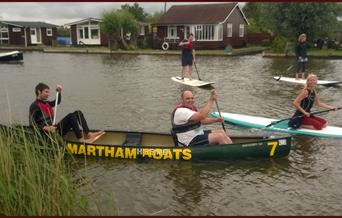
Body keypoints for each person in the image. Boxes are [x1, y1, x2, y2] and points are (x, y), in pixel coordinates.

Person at [29, 82, 105, 143]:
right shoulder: (34, 106)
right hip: (47, 135)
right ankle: (81, 140)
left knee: (78, 113)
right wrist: (46, 127)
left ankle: (89, 134)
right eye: (46, 92)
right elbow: (32, 124)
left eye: (48, 92)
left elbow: (57, 102)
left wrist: (59, 92)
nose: (48, 94)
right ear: (39, 92)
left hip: (55, 129)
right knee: (71, 116)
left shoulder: (46, 103)